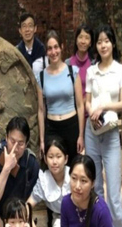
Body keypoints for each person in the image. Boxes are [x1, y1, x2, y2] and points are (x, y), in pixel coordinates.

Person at [84, 25, 122, 227]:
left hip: (110, 133)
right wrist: (91, 109)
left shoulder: (121, 70)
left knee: (113, 187)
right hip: (92, 131)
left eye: (106, 40)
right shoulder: (92, 71)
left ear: (112, 43)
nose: (102, 45)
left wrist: (103, 107)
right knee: (96, 185)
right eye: (99, 41)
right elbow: (87, 98)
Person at [36, 30, 85, 165]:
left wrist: (81, 135)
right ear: (46, 51)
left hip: (71, 125)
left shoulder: (73, 71)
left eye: (56, 47)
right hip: (52, 128)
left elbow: (80, 105)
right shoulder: (41, 77)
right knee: (54, 168)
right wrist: (41, 140)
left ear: (61, 47)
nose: (53, 52)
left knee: (73, 168)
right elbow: (41, 110)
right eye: (50, 48)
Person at [61, 154, 114, 227]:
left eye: (83, 181)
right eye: (74, 178)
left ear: (92, 183)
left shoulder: (101, 210)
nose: (77, 186)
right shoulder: (66, 202)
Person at [28, 137, 70, 227]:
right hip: (60, 219)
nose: (54, 162)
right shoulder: (43, 180)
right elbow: (26, 207)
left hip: (80, 218)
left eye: (59, 156)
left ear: (66, 159)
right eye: (50, 157)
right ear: (46, 159)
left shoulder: (73, 175)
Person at [66, 24, 95, 97]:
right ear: (76, 40)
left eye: (87, 38)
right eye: (80, 37)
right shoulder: (68, 63)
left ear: (90, 43)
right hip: (72, 107)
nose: (83, 41)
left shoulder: (94, 64)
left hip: (90, 106)